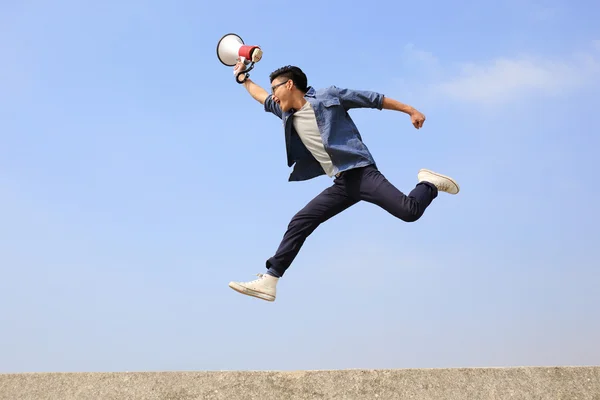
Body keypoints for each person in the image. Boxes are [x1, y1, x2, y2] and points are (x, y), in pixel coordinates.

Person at [228, 62, 460, 302]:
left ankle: (428, 183)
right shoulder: (286, 112)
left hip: (360, 172)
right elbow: (262, 98)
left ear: (289, 84)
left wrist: (410, 110)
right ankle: (271, 279)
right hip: (342, 183)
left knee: (409, 211)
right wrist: (243, 79)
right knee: (301, 221)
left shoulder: (328, 95)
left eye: (275, 89)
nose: (273, 95)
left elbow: (373, 99)